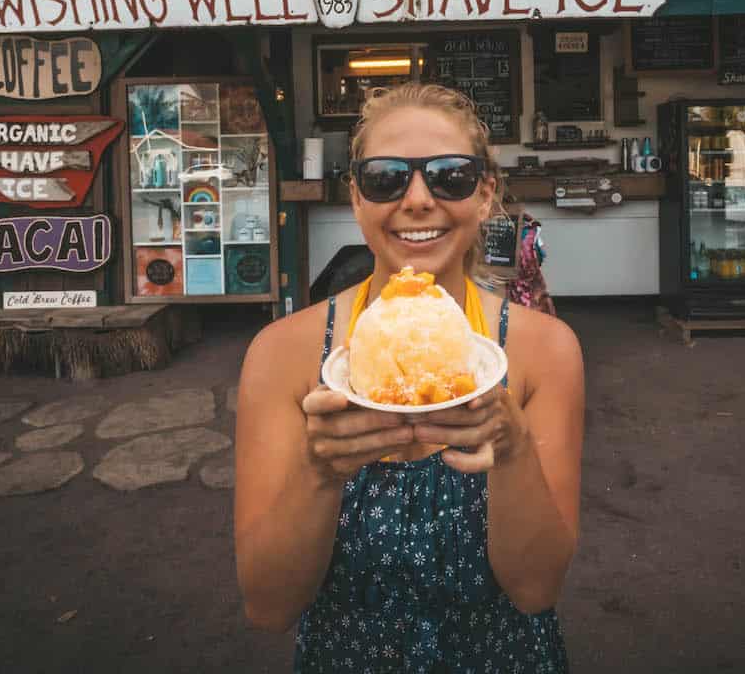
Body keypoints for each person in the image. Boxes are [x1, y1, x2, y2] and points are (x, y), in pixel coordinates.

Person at [235, 82, 584, 673]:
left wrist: (515, 450)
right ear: (355, 197)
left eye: (450, 175)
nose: (418, 199)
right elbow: (269, 605)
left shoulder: (545, 351)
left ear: (484, 195)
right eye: (385, 177)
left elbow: (535, 590)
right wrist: (319, 474)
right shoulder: (282, 354)